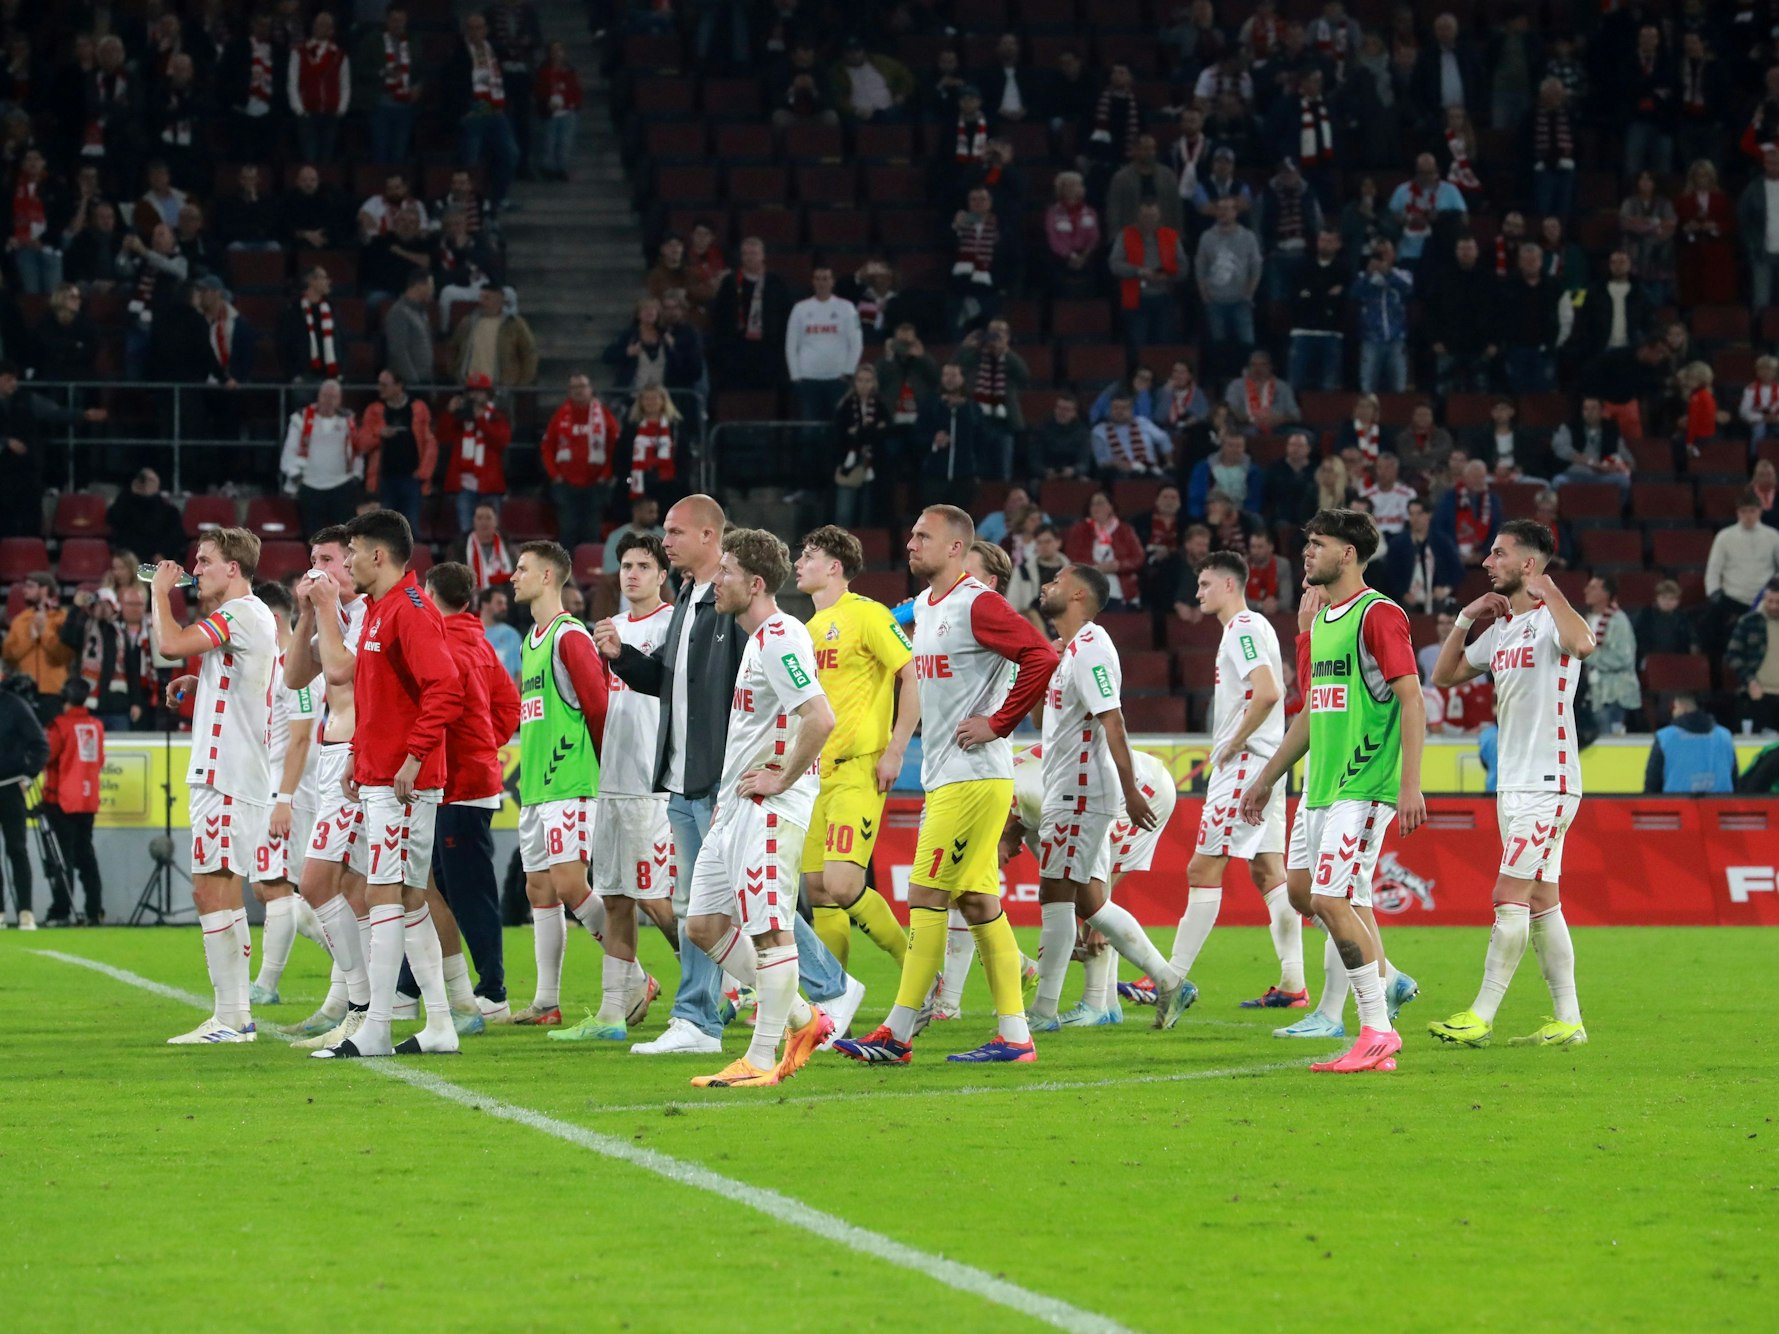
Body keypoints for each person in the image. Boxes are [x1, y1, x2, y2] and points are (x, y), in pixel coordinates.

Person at [595, 496, 862, 1055]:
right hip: (685, 776)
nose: (663, 541)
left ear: (710, 537)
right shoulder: (695, 597)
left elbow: (786, 705)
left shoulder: (748, 615)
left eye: (674, 532)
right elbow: (675, 685)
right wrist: (623, 659)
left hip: (727, 782)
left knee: (754, 910)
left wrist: (776, 773)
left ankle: (802, 1003)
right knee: (708, 911)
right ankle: (713, 1017)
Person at [833, 505, 1057, 1066]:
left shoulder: (977, 602)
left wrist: (998, 722)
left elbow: (1040, 655)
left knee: (927, 894)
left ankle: (899, 1032)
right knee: (979, 902)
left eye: (923, 536)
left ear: (956, 547)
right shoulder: (928, 607)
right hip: (950, 777)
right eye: (909, 533)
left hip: (973, 778)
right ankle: (1015, 1035)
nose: (910, 542)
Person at [1240, 508, 1426, 1072]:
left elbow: (1411, 698)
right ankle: (1388, 978)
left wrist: (1410, 785)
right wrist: (1269, 775)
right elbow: (1313, 715)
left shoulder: (1379, 614)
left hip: (1364, 785)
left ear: (1347, 553)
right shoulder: (1321, 623)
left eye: (1317, 544)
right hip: (1319, 788)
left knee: (1330, 900)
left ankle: (1377, 1031)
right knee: (1301, 894)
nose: (1307, 553)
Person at [661, 528, 839, 1088]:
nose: (718, 582)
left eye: (729, 573)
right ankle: (804, 1019)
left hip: (770, 808)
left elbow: (820, 717)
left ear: (755, 583)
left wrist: (782, 776)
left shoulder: (782, 636)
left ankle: (761, 1060)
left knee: (769, 932)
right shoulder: (759, 638)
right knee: (704, 925)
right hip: (735, 807)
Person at [1429, 522, 1596, 1050]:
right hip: (1515, 785)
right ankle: (1570, 1021)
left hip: (1550, 783)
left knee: (1508, 894)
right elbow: (1445, 675)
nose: (1487, 562)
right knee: (1545, 900)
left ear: (1528, 564)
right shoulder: (1503, 630)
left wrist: (1553, 592)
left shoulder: (1552, 620)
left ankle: (1481, 1013)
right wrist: (1464, 619)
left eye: (1498, 554)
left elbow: (1583, 643)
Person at [305, 510, 465, 1060]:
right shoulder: (379, 610)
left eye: (351, 552)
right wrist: (358, 754)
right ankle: (441, 1024)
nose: (345, 562)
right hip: (380, 772)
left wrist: (414, 758)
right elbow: (375, 698)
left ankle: (376, 1026)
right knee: (410, 896)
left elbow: (446, 687)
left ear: (379, 555)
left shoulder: (411, 611)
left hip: (403, 782)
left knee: (383, 892)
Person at [1022, 562, 1191, 1032]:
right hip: (1068, 787)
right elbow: (1044, 722)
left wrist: (1132, 790)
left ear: (1078, 595)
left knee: (1056, 897)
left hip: (1079, 791)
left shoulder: (1093, 647)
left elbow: (1112, 720)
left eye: (1056, 580)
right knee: (1087, 901)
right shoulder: (1072, 651)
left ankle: (1043, 1012)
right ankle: (1170, 980)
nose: (1046, 585)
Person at [149, 529, 277, 1044]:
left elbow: (169, 645)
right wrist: (199, 682)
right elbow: (243, 680)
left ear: (234, 569)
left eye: (204, 562)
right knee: (219, 887)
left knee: (212, 888)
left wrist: (159, 593)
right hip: (232, 771)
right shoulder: (254, 617)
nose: (194, 570)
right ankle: (234, 1016)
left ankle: (231, 1018)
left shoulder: (241, 612)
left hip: (227, 773)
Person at [500, 539, 617, 1033]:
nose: (513, 576)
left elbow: (598, 705)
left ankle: (632, 974)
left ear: (549, 577)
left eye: (522, 569)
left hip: (570, 779)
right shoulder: (532, 638)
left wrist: (602, 773)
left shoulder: (570, 636)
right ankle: (547, 1000)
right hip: (539, 786)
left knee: (571, 884)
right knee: (539, 887)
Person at [1174, 551, 1301, 1007]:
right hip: (1266, 764)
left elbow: (1269, 691)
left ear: (1229, 585)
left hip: (1246, 764)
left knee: (1202, 868)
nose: (1198, 593)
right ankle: (1293, 984)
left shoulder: (1242, 627)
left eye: (1205, 584)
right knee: (1269, 872)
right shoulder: (1257, 626)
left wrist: (1233, 741)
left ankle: (1169, 979)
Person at [569, 534, 680, 1039]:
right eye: (626, 565)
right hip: (612, 777)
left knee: (657, 899)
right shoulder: (608, 629)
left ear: (662, 575)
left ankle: (725, 986)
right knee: (614, 895)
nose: (631, 574)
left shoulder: (674, 624)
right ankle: (613, 1013)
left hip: (651, 779)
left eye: (642, 566)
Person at [795, 525, 918, 974]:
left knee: (843, 884)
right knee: (818, 889)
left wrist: (896, 749)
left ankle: (920, 970)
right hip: (814, 775)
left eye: (808, 556)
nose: (798, 564)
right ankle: (835, 997)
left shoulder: (868, 614)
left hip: (858, 767)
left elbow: (913, 674)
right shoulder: (805, 630)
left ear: (834, 567)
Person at [277, 528, 377, 1046]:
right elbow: (295, 677)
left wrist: (328, 607)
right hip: (335, 760)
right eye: (312, 559)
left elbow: (346, 674)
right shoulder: (330, 616)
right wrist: (308, 613)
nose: (317, 569)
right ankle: (365, 1006)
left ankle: (365, 1005)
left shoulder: (367, 616)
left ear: (353, 563)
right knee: (359, 892)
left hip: (359, 760)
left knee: (319, 884)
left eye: (328, 560)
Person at [428, 561, 523, 1018]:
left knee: (465, 891)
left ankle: (493, 990)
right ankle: (412, 985)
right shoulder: (481, 644)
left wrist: (469, 750)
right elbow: (508, 705)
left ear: (430, 594)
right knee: (438, 888)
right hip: (472, 780)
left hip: (456, 784)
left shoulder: (441, 644)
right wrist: (486, 744)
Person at [241, 581, 319, 1003]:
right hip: (275, 787)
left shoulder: (299, 668)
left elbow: (303, 739)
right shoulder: (277, 665)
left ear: (271, 619)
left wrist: (285, 798)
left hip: (291, 790)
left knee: (276, 886)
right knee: (272, 888)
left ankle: (266, 985)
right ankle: (353, 960)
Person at [38, 678, 104, 926]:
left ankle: (61, 909)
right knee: (86, 855)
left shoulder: (59, 726)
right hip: (88, 800)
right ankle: (94, 909)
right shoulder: (96, 725)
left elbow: (47, 755)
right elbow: (100, 759)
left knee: (61, 858)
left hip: (62, 799)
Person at [354, 369, 436, 531]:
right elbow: (361, 443)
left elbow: (430, 444)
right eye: (379, 384)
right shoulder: (374, 410)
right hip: (383, 481)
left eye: (384, 385)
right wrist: (379, 434)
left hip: (411, 480)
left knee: (410, 529)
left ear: (399, 386)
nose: (380, 388)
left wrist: (422, 474)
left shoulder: (419, 408)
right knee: (383, 531)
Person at [279, 378, 361, 536]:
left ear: (340, 400)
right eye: (325, 395)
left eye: (333, 397)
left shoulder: (348, 421)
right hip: (310, 485)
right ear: (318, 396)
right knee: (314, 536)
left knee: (346, 536)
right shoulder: (301, 418)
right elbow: (290, 449)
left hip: (341, 485)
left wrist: (356, 475)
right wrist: (295, 475)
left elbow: (357, 451)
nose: (328, 401)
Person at [785, 264, 863, 423]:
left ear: (832, 282)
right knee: (809, 429)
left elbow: (856, 343)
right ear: (813, 282)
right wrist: (795, 376)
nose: (822, 283)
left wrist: (848, 372)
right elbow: (791, 345)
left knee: (838, 426)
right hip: (808, 379)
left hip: (838, 379)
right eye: (818, 279)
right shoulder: (800, 308)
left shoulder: (846, 308)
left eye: (825, 279)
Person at [0, 668, 47, 928]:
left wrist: (28, 777)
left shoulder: (14, 705)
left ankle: (25, 911)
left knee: (16, 849)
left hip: (9, 786)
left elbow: (40, 743)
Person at [1705, 492, 1779, 654]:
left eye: (1752, 511)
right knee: (1714, 637)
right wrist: (1715, 595)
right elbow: (1713, 570)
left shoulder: (1773, 536)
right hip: (1732, 599)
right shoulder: (1724, 536)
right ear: (1738, 513)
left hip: (1764, 601)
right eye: (1744, 511)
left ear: (1760, 511)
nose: (1748, 516)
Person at [440, 373, 511, 531]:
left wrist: (481, 421)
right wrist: (449, 412)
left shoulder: (497, 417)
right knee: (466, 532)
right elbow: (442, 436)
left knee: (492, 533)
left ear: (488, 394)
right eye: (472, 391)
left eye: (480, 391)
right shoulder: (460, 418)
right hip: (464, 486)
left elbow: (501, 441)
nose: (475, 395)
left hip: (490, 485)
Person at [3, 574, 73, 709]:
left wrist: (44, 632)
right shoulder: (20, 620)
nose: (24, 590)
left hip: (54, 691)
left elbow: (64, 655)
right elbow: (8, 656)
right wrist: (31, 639)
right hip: (24, 692)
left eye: (30, 586)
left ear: (44, 590)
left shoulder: (62, 618)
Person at [1581, 574, 1639, 735]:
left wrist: (1586, 654)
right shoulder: (1589, 619)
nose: (1586, 591)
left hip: (1614, 695)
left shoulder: (1618, 621)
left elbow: (1622, 658)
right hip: (1595, 694)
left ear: (1606, 594)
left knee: (1612, 742)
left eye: (1593, 588)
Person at [1645, 695, 1738, 794]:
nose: (1673, 712)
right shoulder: (1724, 736)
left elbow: (1652, 782)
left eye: (1674, 708)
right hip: (1721, 805)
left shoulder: (1665, 737)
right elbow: (1734, 778)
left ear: (1681, 707)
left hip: (1677, 806)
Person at [1385, 497, 1463, 615]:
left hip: (1435, 598)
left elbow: (1458, 570)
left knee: (1446, 612)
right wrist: (1403, 593)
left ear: (1429, 515)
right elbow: (1390, 575)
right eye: (1411, 514)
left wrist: (1445, 589)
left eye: (1419, 514)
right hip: (1407, 599)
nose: (1414, 519)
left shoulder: (1441, 542)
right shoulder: (1398, 544)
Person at [1726, 578, 1779, 735]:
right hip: (1759, 695)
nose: (1774, 606)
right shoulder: (1749, 622)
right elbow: (1733, 655)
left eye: (1778, 602)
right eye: (1770, 601)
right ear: (1764, 598)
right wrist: (1750, 681)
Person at [479, 584, 522, 680]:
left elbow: (520, 672)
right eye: (499, 603)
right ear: (485, 604)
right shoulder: (472, 633)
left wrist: (513, 695)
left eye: (505, 604)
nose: (504, 608)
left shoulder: (512, 634)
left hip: (508, 693)